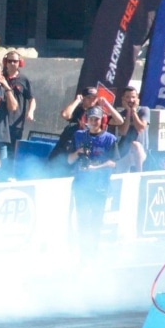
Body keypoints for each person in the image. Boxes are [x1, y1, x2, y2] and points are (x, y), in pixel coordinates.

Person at [66, 106, 120, 262]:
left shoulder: (110, 139)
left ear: (102, 120)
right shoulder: (78, 136)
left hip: (100, 186)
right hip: (81, 185)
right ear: (86, 120)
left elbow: (113, 163)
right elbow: (69, 160)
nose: (94, 122)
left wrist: (96, 167)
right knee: (82, 220)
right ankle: (83, 254)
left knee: (96, 221)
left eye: (96, 119)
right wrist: (78, 152)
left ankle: (93, 255)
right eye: (91, 119)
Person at [1, 51, 36, 179]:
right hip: (1, 122)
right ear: (5, 62)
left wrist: (30, 111)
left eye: (15, 61)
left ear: (19, 63)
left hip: (16, 123)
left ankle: (9, 176)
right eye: (9, 61)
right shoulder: (0, 77)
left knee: (12, 153)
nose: (12, 64)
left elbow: (32, 99)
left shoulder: (24, 80)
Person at [109, 86, 149, 173]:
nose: (131, 100)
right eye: (127, 97)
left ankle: (139, 174)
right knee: (121, 176)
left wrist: (134, 111)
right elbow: (123, 131)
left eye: (133, 97)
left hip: (140, 151)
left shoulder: (144, 110)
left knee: (135, 144)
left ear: (137, 98)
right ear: (123, 99)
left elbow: (140, 128)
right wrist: (128, 111)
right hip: (124, 151)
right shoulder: (120, 114)